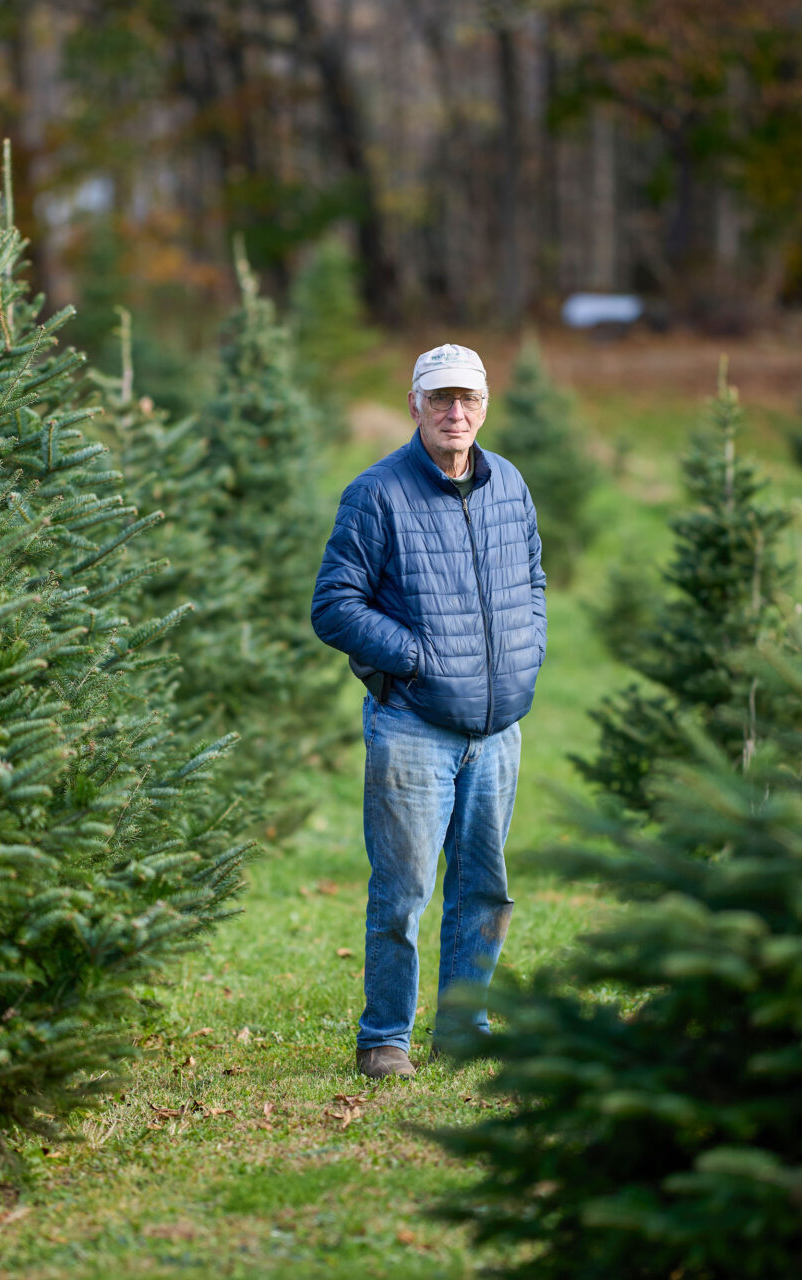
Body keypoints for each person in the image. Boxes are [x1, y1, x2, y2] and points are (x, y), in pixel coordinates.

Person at [310, 343, 548, 1080]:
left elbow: (534, 579)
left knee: (484, 888)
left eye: (467, 399)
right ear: (414, 404)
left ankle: (465, 1029)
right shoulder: (375, 494)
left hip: (498, 729)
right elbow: (333, 606)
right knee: (405, 891)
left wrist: (524, 653)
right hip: (412, 725)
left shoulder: (508, 483)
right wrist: (417, 658)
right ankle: (385, 1038)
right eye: (440, 398)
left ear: (484, 405)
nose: (455, 412)